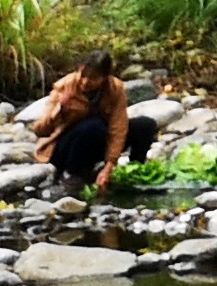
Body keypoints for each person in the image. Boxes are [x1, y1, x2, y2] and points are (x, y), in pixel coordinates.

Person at [36, 52, 151, 188]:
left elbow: (118, 127)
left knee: (145, 125)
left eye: (94, 78)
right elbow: (40, 130)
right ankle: (73, 174)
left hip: (98, 140)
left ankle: (134, 171)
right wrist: (59, 109)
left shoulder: (115, 89)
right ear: (77, 69)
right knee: (94, 126)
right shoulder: (64, 87)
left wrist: (109, 166)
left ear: (105, 77)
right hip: (67, 148)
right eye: (82, 75)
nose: (85, 82)